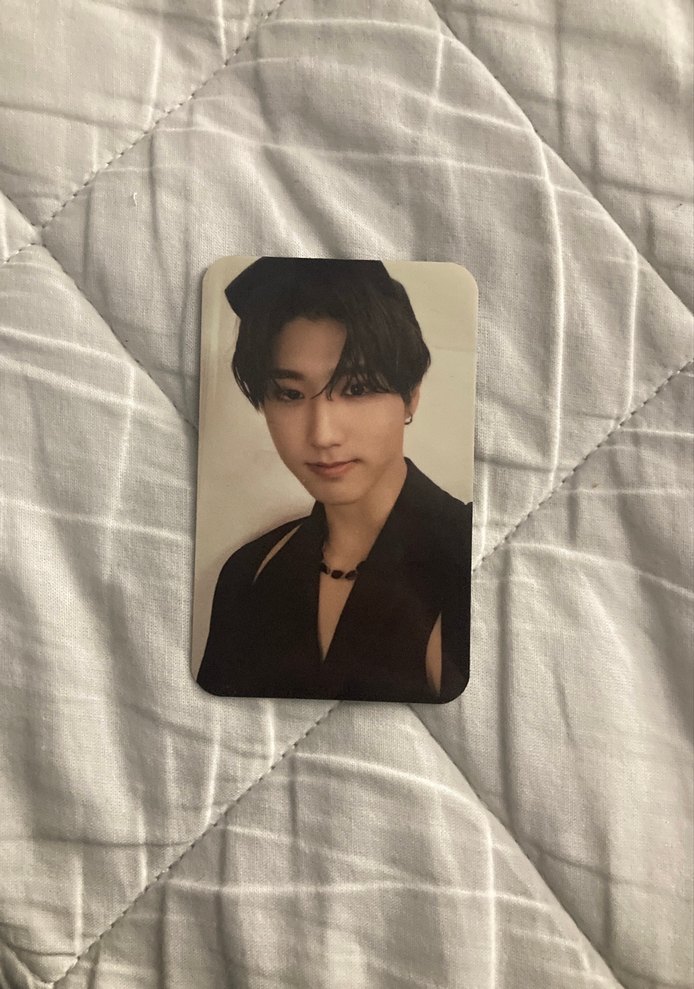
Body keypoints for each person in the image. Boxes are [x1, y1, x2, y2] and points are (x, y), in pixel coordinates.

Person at [196, 258, 472, 703]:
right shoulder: (249, 572)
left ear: (410, 396)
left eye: (357, 388)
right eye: (290, 394)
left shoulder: (468, 557)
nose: (322, 435)